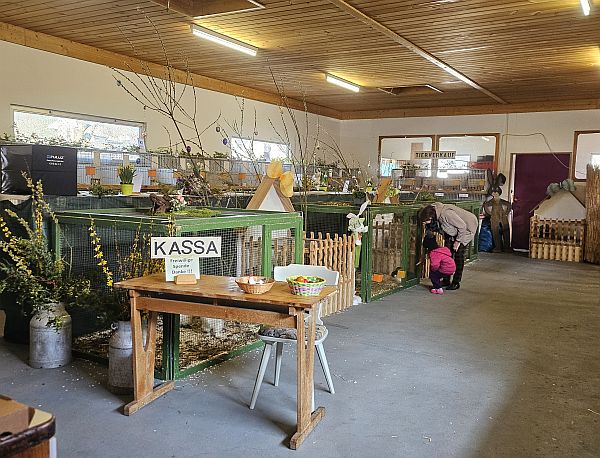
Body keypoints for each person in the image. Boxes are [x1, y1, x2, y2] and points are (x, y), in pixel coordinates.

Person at [419, 202, 479, 290]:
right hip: (452, 230)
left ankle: (456, 282)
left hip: (466, 230)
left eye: (425, 221)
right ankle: (446, 280)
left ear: (431, 218)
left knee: (458, 256)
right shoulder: (434, 211)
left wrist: (457, 241)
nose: (425, 223)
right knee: (446, 255)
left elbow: (462, 226)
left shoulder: (446, 214)